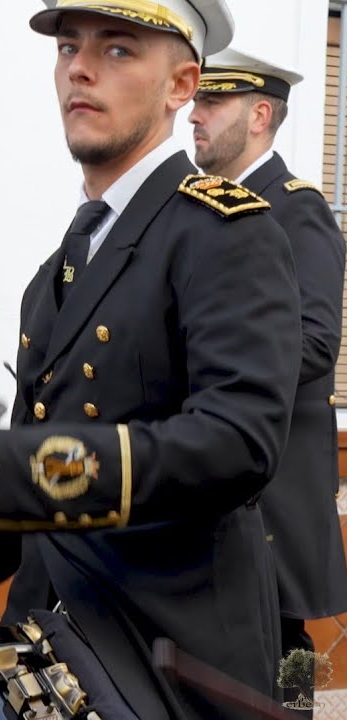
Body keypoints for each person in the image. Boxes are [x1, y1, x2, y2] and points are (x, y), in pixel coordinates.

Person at [0, 2, 303, 718]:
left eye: (118, 50)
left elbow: (239, 441)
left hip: (167, 663)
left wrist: (28, 466)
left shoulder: (225, 233)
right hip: (55, 644)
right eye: (68, 48)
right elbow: (23, 508)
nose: (79, 68)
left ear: (183, 84)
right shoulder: (57, 275)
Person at [190, 47, 347, 713]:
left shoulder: (294, 210)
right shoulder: (197, 210)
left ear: (260, 114)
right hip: (212, 490)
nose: (192, 116)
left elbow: (315, 343)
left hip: (275, 494)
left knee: (284, 681)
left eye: (211, 103)